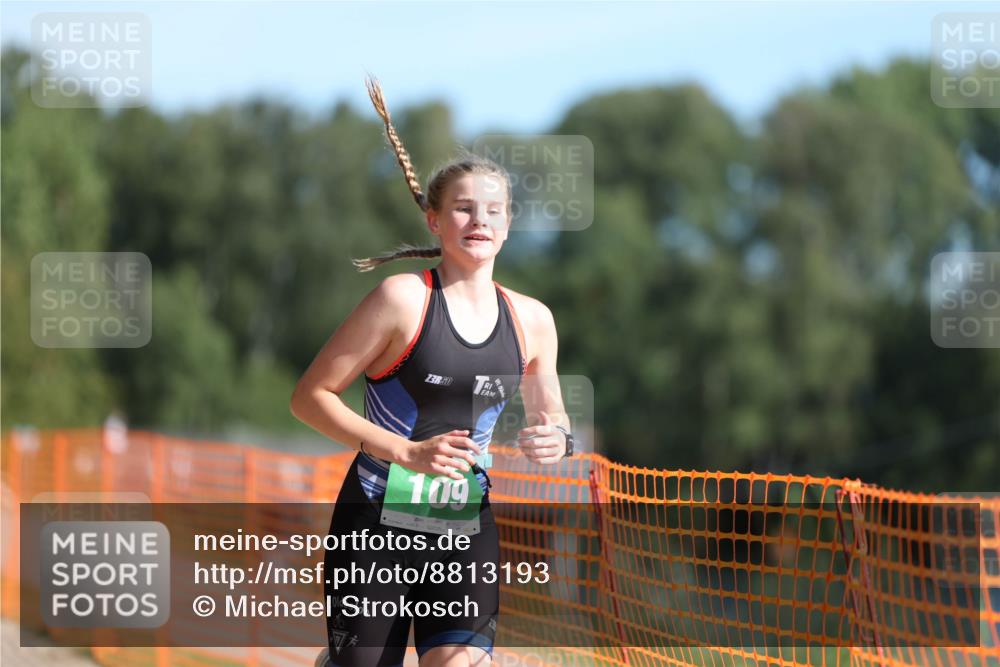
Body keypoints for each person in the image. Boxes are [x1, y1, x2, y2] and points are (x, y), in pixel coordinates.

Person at [290, 77, 573, 667]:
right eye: (464, 207)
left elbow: (554, 416)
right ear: (434, 220)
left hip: (464, 527)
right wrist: (404, 451)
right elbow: (310, 397)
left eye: (494, 210)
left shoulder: (534, 320)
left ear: (509, 224)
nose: (480, 219)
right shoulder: (401, 301)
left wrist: (557, 438)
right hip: (374, 525)